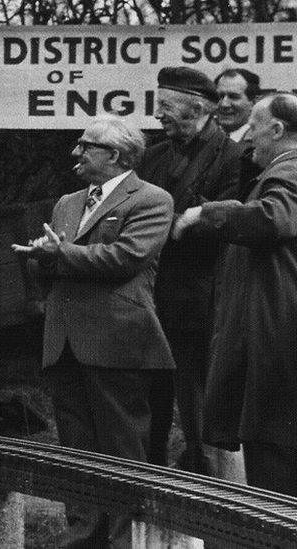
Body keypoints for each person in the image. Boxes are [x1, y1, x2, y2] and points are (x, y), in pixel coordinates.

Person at [13, 114, 175, 547]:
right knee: (77, 455)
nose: (76, 152)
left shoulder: (152, 200)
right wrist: (40, 257)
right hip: (64, 342)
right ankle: (82, 539)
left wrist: (60, 252)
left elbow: (126, 258)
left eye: (85, 145)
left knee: (123, 454)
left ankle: (126, 543)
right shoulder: (67, 202)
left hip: (119, 344)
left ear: (115, 155)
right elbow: (59, 265)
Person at [173, 93, 297, 496]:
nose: (247, 140)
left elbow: (271, 219)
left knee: (274, 483)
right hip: (275, 338)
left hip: (275, 344)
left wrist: (205, 213)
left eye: (254, 129)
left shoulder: (290, 170)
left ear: (277, 130)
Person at [138, 66, 243, 475]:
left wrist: (159, 227)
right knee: (151, 407)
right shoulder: (154, 154)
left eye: (166, 105)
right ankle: (151, 487)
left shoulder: (234, 158)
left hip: (200, 305)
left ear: (197, 107)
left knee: (199, 409)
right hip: (150, 300)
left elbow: (225, 228)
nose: (158, 113)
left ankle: (209, 498)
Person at [214, 68, 261, 143]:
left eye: (233, 97)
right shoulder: (202, 142)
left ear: (253, 103)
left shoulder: (261, 143)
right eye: (220, 96)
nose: (224, 104)